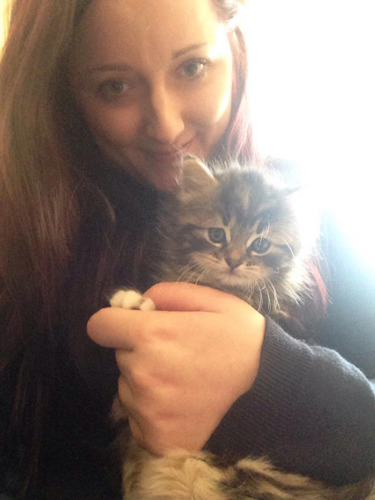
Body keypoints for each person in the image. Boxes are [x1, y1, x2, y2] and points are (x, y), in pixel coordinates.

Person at [0, 0, 374, 498]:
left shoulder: (313, 211)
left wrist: (267, 378)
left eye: (192, 67)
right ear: (65, 93)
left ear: (234, 48)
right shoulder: (25, 237)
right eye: (116, 86)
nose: (167, 126)